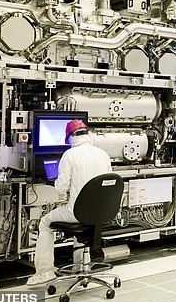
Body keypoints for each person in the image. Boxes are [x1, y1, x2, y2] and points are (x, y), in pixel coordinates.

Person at [27, 119, 112, 286]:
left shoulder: (70, 155)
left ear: (70, 138)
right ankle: (81, 267)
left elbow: (61, 188)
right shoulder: (103, 154)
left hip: (77, 213)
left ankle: (44, 272)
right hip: (101, 213)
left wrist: (53, 181)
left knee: (45, 223)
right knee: (82, 221)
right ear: (88, 134)